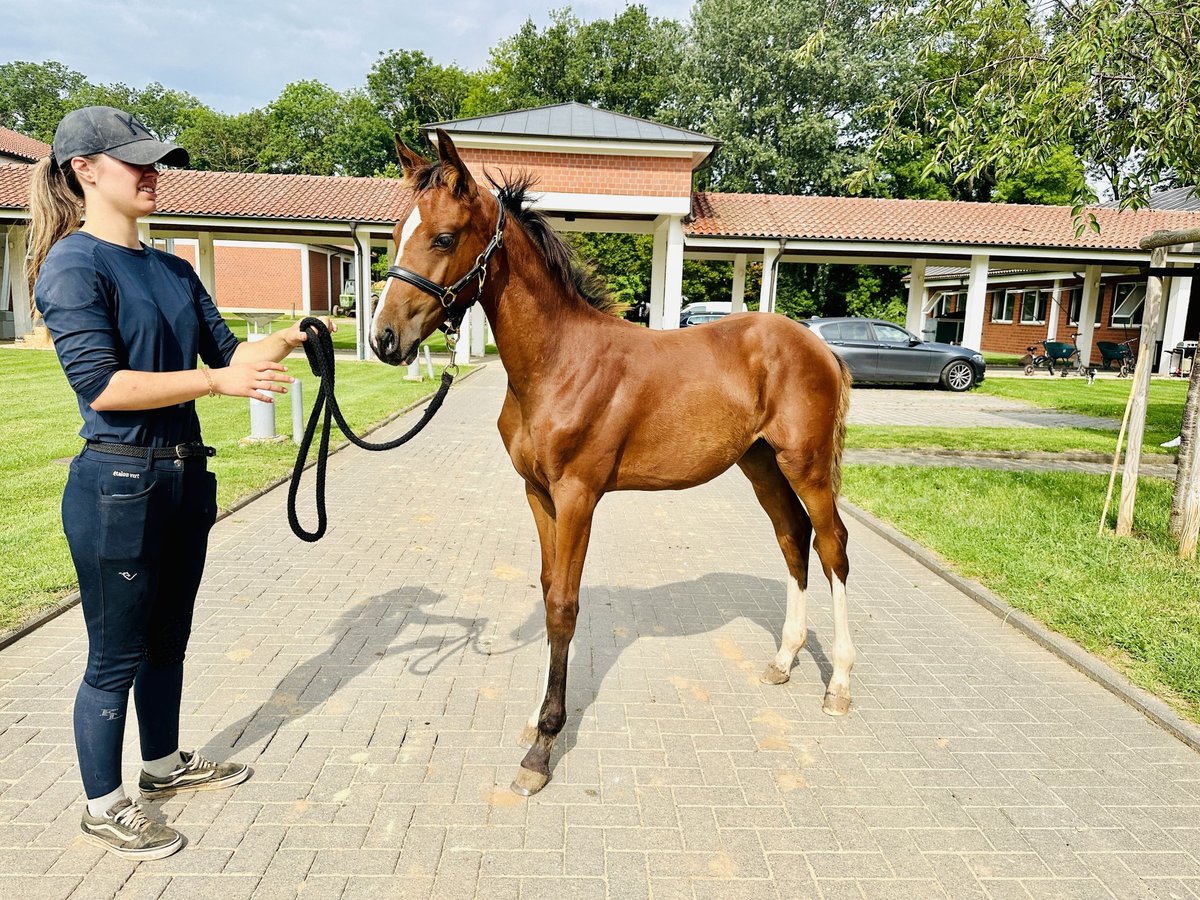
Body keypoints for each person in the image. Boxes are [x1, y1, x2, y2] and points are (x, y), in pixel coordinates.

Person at [28, 106, 330, 860]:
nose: (152, 172)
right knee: (114, 658)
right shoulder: (73, 265)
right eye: (135, 161)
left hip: (183, 483)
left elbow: (231, 354)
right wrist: (214, 385)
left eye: (155, 160)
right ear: (84, 170)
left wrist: (291, 336)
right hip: (118, 485)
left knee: (168, 642)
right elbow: (103, 386)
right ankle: (104, 805)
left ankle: (161, 767)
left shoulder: (174, 269)